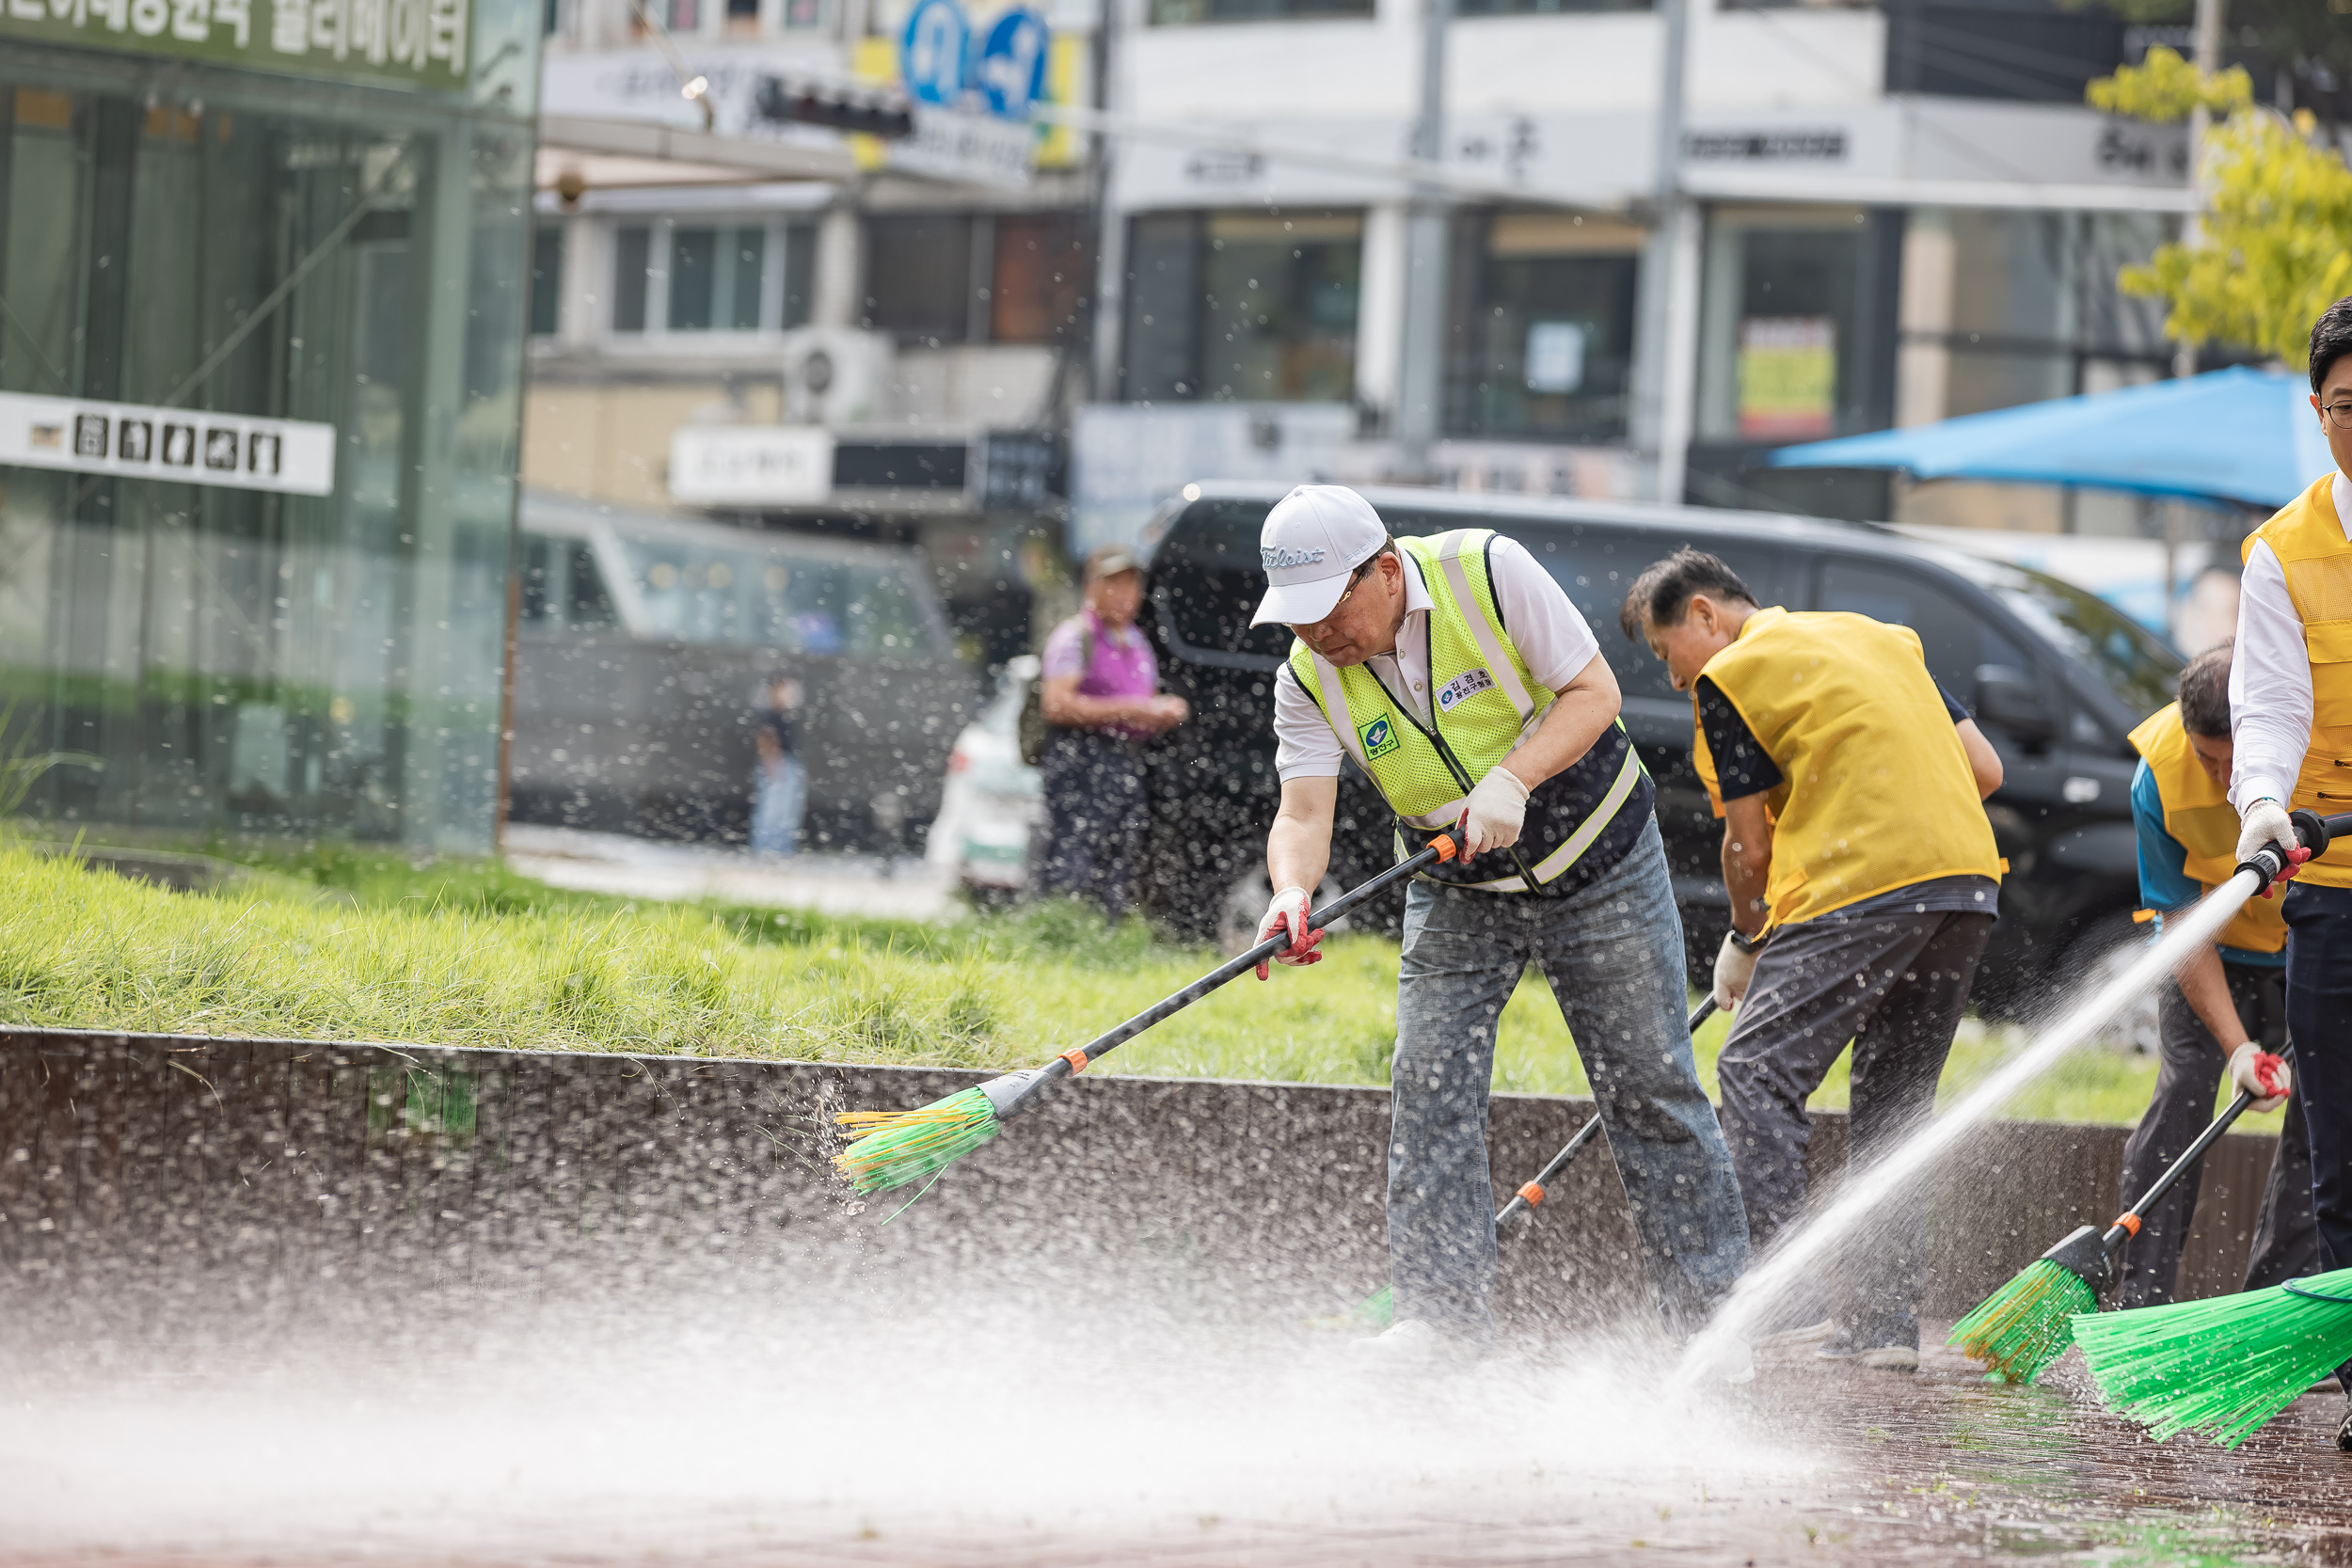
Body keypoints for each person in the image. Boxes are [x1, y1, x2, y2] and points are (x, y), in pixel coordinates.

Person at [1250, 484, 1748, 1360]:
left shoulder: (1489, 569)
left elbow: (1593, 692)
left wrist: (1514, 777)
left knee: (1651, 1089)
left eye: (1330, 609)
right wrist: (1291, 891)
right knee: (1429, 1086)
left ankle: (1709, 1331)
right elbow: (1302, 812)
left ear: (1387, 569)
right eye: (1298, 619)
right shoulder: (1306, 675)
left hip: (1603, 865)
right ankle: (1440, 1329)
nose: (1320, 635)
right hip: (1460, 890)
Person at [1621, 548, 2005, 1372]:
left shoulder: (1734, 674)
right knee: (1895, 1101)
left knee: (1757, 1067)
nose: (1673, 678)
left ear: (1704, 617)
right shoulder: (1880, 637)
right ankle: (1883, 1325)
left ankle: (1778, 1291)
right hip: (1968, 884)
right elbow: (1985, 769)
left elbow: (1746, 842)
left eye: (1664, 654)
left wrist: (1746, 938)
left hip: (1864, 882)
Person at [2225, 293, 2352, 1452]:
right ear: (2319, 413)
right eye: (2350, 404)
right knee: (2337, 1140)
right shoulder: (2281, 551)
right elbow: (2265, 709)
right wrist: (2262, 805)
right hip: (2335, 887)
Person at [2117, 641, 2313, 1310]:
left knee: (2323, 1120)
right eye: (2208, 759)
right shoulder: (2158, 779)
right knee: (2182, 1097)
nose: (2221, 777)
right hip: (2214, 954)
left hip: (2305, 948)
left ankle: (2275, 1312)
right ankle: (2143, 1309)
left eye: (2236, 760)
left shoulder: (2315, 748)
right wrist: (2238, 1049)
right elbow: (2182, 929)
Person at [1034, 544, 1188, 917]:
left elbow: (1144, 698)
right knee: (1073, 853)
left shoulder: (1136, 642)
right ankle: (1060, 929)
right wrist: (1127, 710)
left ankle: (1104, 937)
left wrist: (1161, 711)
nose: (1125, 595)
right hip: (1080, 759)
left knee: (1117, 855)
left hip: (1124, 762)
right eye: (1114, 584)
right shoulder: (1074, 638)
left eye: (1131, 585)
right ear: (1092, 586)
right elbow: (1055, 705)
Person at [750, 673, 805, 857]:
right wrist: (772, 764)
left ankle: (781, 849)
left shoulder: (785, 714)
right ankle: (766, 849)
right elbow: (765, 739)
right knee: (772, 811)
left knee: (786, 812)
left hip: (786, 763)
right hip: (778, 764)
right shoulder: (771, 714)